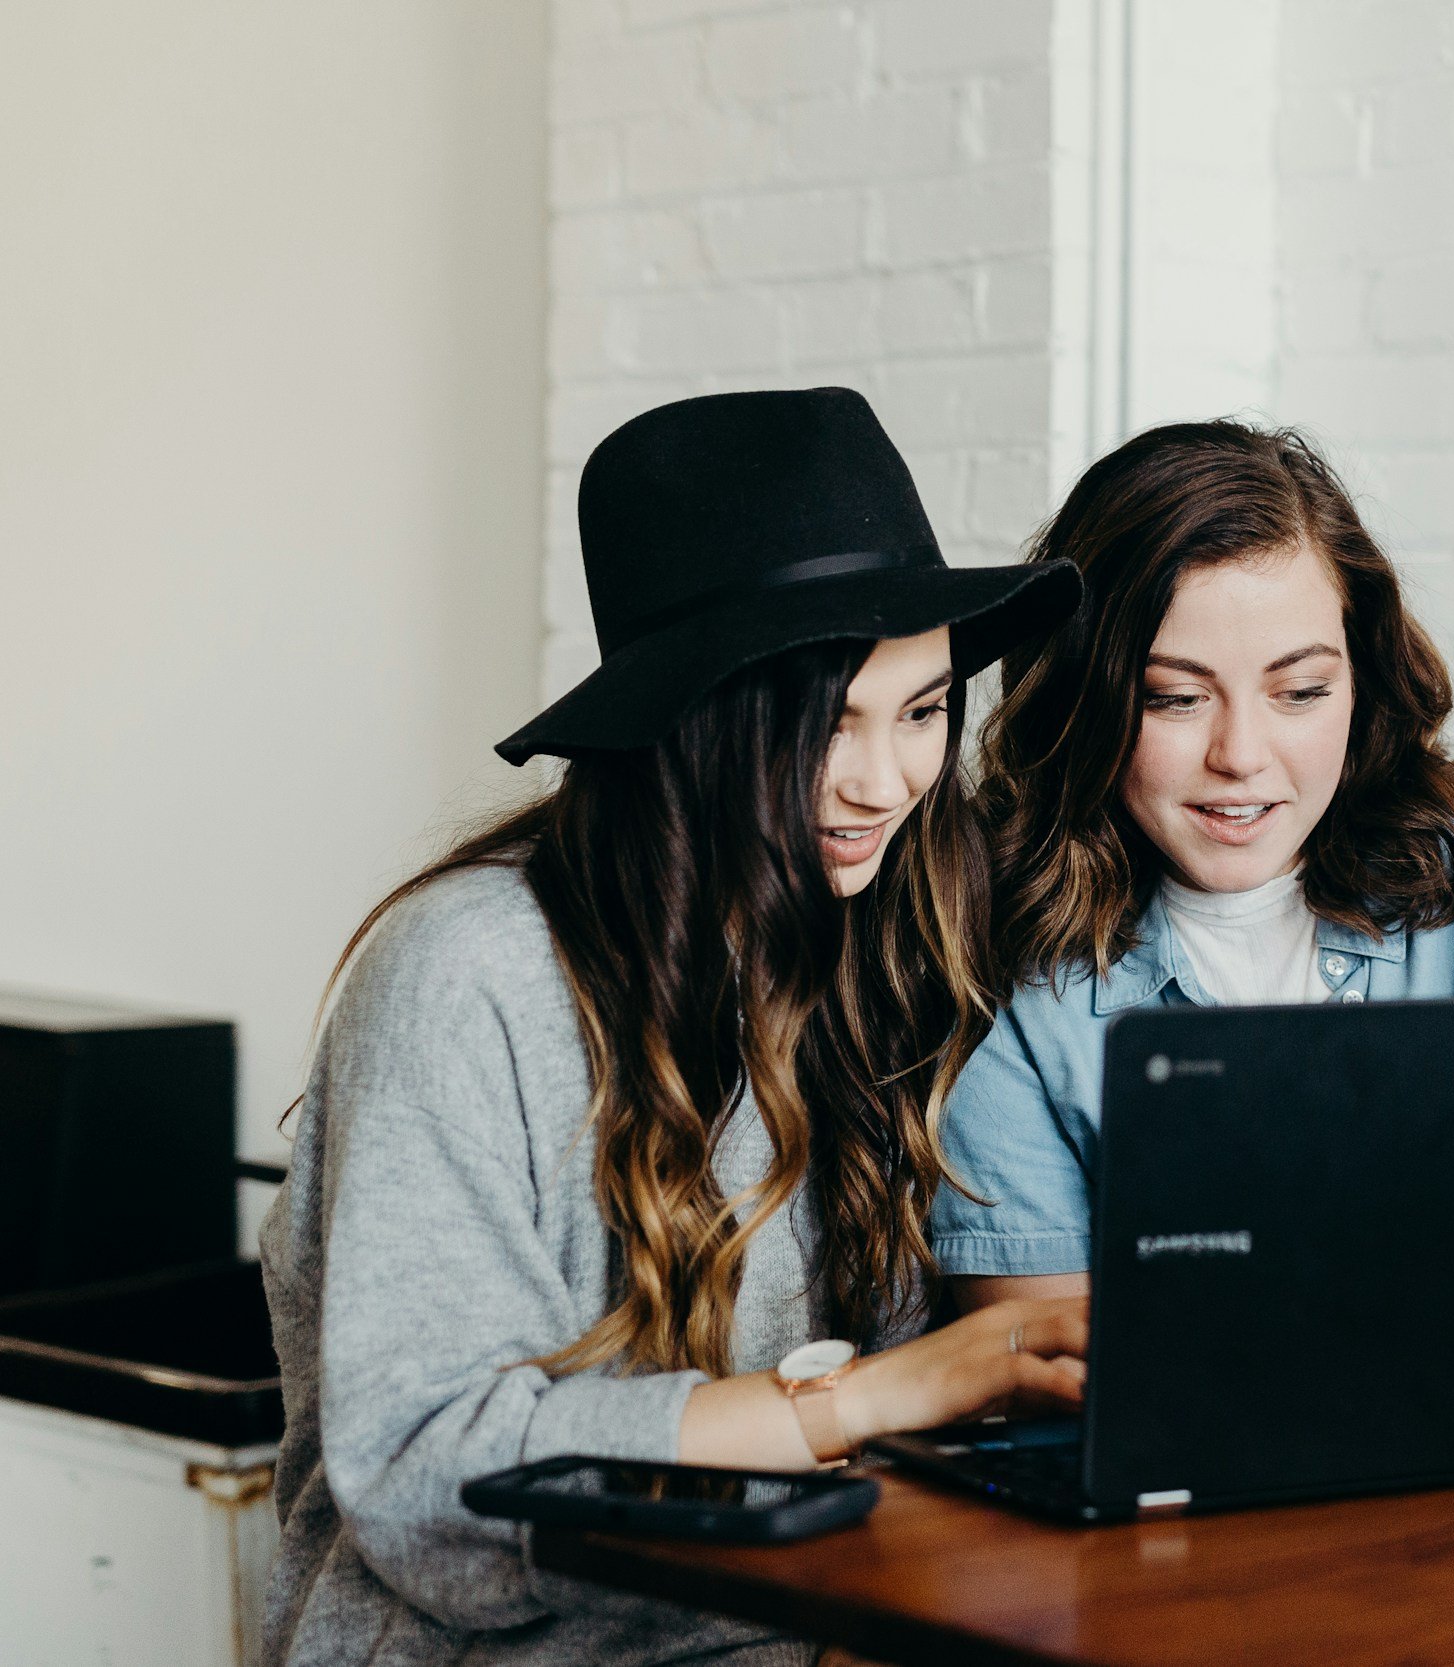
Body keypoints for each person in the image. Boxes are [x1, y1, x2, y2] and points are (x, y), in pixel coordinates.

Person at [258, 390, 1087, 1667]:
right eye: (824, 723)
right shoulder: (470, 974)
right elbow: (431, 1481)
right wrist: (859, 1399)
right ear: (693, 717)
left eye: (922, 710)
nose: (884, 781)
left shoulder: (882, 942)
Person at [935, 420, 1454, 1348]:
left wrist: (1285, 1305)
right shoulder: (996, 944)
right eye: (1175, 698)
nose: (1240, 756)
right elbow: (1038, 1351)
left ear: (1361, 678)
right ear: (1084, 697)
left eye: (1301, 691)